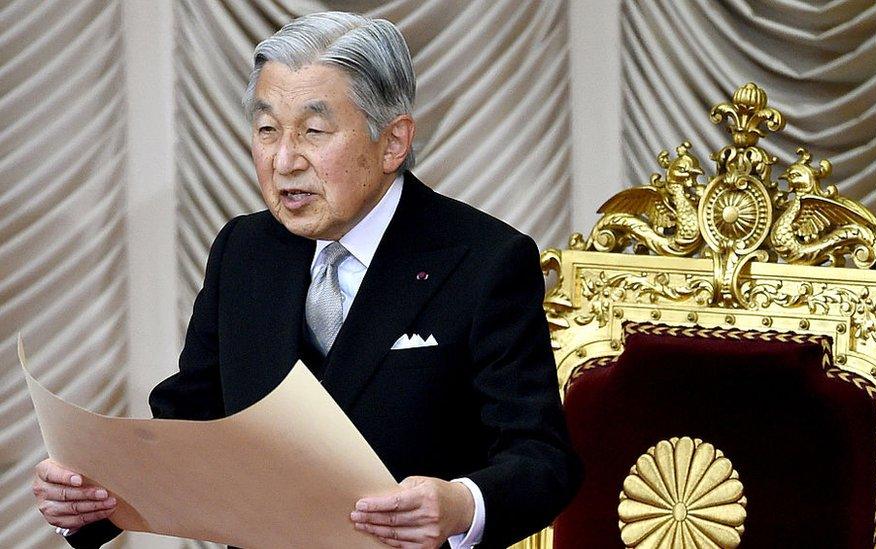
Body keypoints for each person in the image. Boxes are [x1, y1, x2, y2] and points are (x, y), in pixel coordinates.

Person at [31, 11, 580, 549]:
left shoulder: (485, 260)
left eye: (314, 131)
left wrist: (460, 505)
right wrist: (93, 498)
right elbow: (190, 422)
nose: (285, 159)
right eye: (267, 129)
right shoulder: (244, 251)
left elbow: (541, 458)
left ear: (393, 143)